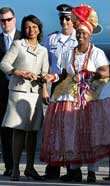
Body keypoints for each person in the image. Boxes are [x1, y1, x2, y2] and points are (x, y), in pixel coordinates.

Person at [40, 4, 110, 183]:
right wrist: (53, 76)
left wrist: (89, 74)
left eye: (84, 33)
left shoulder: (97, 52)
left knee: (91, 133)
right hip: (69, 95)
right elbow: (64, 73)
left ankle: (92, 172)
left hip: (90, 98)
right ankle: (74, 171)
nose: (80, 36)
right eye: (78, 33)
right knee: (72, 132)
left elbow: (105, 71)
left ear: (90, 34)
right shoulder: (69, 52)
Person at [0, 14, 49, 181]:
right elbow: (4, 64)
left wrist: (44, 91)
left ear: (39, 29)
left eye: (34, 27)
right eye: (28, 27)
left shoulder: (43, 50)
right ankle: (15, 168)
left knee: (33, 132)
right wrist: (19, 72)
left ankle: (30, 167)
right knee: (18, 131)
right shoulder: (18, 45)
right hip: (19, 92)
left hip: (34, 94)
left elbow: (44, 73)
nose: (31, 30)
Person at [42, 4, 78, 179]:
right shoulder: (51, 40)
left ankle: (73, 170)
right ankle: (53, 168)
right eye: (61, 18)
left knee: (72, 128)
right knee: (54, 129)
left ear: (73, 20)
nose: (64, 21)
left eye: (67, 18)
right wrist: (44, 89)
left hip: (73, 86)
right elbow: (44, 65)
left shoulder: (80, 38)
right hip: (56, 85)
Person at [0, 7, 21, 176]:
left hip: (20, 90)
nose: (5, 23)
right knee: (5, 130)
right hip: (2, 91)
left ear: (14, 19)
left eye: (8, 19)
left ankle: (25, 165)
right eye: (2, 20)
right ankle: (10, 166)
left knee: (22, 129)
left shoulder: (24, 38)